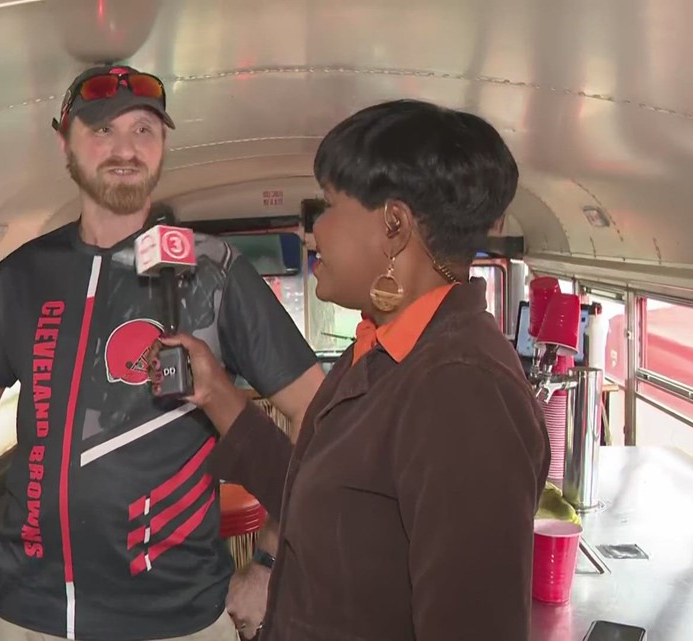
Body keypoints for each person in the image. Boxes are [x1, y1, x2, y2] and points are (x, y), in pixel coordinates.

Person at [0, 63, 325, 641]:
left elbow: (318, 414)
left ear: (164, 143)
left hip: (179, 616)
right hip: (33, 613)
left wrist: (272, 560)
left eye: (144, 130)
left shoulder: (214, 272)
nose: (125, 149)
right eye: (102, 130)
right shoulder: (21, 276)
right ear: (63, 141)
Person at [159, 99, 550, 641]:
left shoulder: (461, 389)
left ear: (393, 224)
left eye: (328, 205)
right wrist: (217, 394)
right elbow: (322, 495)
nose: (311, 231)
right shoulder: (383, 346)